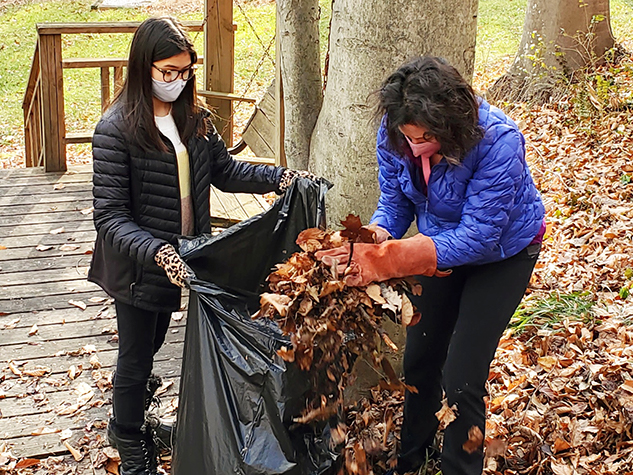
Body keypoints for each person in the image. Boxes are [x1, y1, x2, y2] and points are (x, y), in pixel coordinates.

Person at [88, 17, 313, 475]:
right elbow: (110, 217)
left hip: (186, 257)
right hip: (139, 265)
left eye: (185, 71)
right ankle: (129, 439)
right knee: (136, 355)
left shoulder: (194, 119)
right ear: (142, 67)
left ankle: (131, 420)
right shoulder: (115, 130)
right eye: (167, 71)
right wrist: (156, 252)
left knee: (151, 345)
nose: (177, 80)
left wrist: (278, 178)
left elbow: (225, 171)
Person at [317, 56, 545, 475]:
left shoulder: (499, 141)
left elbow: (480, 236)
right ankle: (411, 462)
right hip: (437, 248)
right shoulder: (394, 136)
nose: (415, 144)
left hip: (503, 256)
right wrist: (378, 235)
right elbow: (395, 200)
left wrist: (392, 259)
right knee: (420, 359)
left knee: (463, 372)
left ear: (451, 123)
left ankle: (460, 467)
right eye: (408, 135)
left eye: (425, 136)